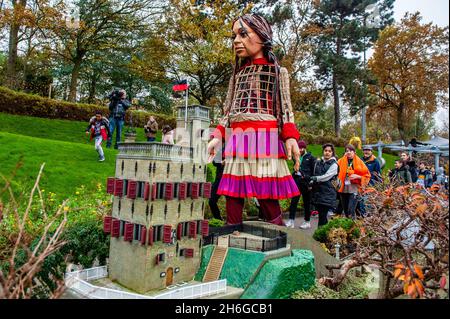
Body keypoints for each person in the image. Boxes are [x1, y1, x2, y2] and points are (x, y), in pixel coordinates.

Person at [207, 14, 301, 226]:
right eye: (234, 36)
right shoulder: (237, 75)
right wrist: (218, 135)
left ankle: (279, 233)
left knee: (265, 192)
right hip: (238, 137)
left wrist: (290, 137)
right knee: (233, 191)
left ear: (261, 35)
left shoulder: (278, 72)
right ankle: (232, 232)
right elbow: (228, 109)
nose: (236, 41)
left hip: (265, 136)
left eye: (242, 34)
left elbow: (285, 108)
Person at [287, 140, 316, 229]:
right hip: (297, 182)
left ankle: (307, 221)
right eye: (298, 148)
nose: (299, 150)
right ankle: (291, 220)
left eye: (301, 148)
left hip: (306, 183)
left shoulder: (311, 158)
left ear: (305, 148)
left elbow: (314, 171)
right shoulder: (296, 156)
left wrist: (311, 183)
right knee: (293, 201)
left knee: (307, 203)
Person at [337, 144, 371, 219]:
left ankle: (352, 227)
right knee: (346, 211)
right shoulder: (340, 161)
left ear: (354, 152)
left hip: (354, 188)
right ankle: (349, 226)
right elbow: (335, 171)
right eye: (347, 151)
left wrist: (358, 176)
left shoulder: (360, 162)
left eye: (351, 151)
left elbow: (367, 176)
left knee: (350, 211)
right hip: (343, 188)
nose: (349, 152)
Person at [309, 143, 339, 228]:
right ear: (323, 151)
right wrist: (311, 182)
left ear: (332, 153)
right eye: (326, 151)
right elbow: (315, 173)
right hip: (318, 193)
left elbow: (327, 177)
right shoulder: (318, 162)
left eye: (329, 151)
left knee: (322, 215)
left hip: (327, 193)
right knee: (322, 215)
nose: (327, 153)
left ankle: (320, 234)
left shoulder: (334, 164)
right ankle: (324, 233)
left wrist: (316, 178)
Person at [208, 148, 225, 221]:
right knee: (212, 200)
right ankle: (218, 219)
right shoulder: (223, 148)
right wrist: (221, 162)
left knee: (232, 202)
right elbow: (214, 162)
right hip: (220, 179)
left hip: (233, 180)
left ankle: (232, 221)